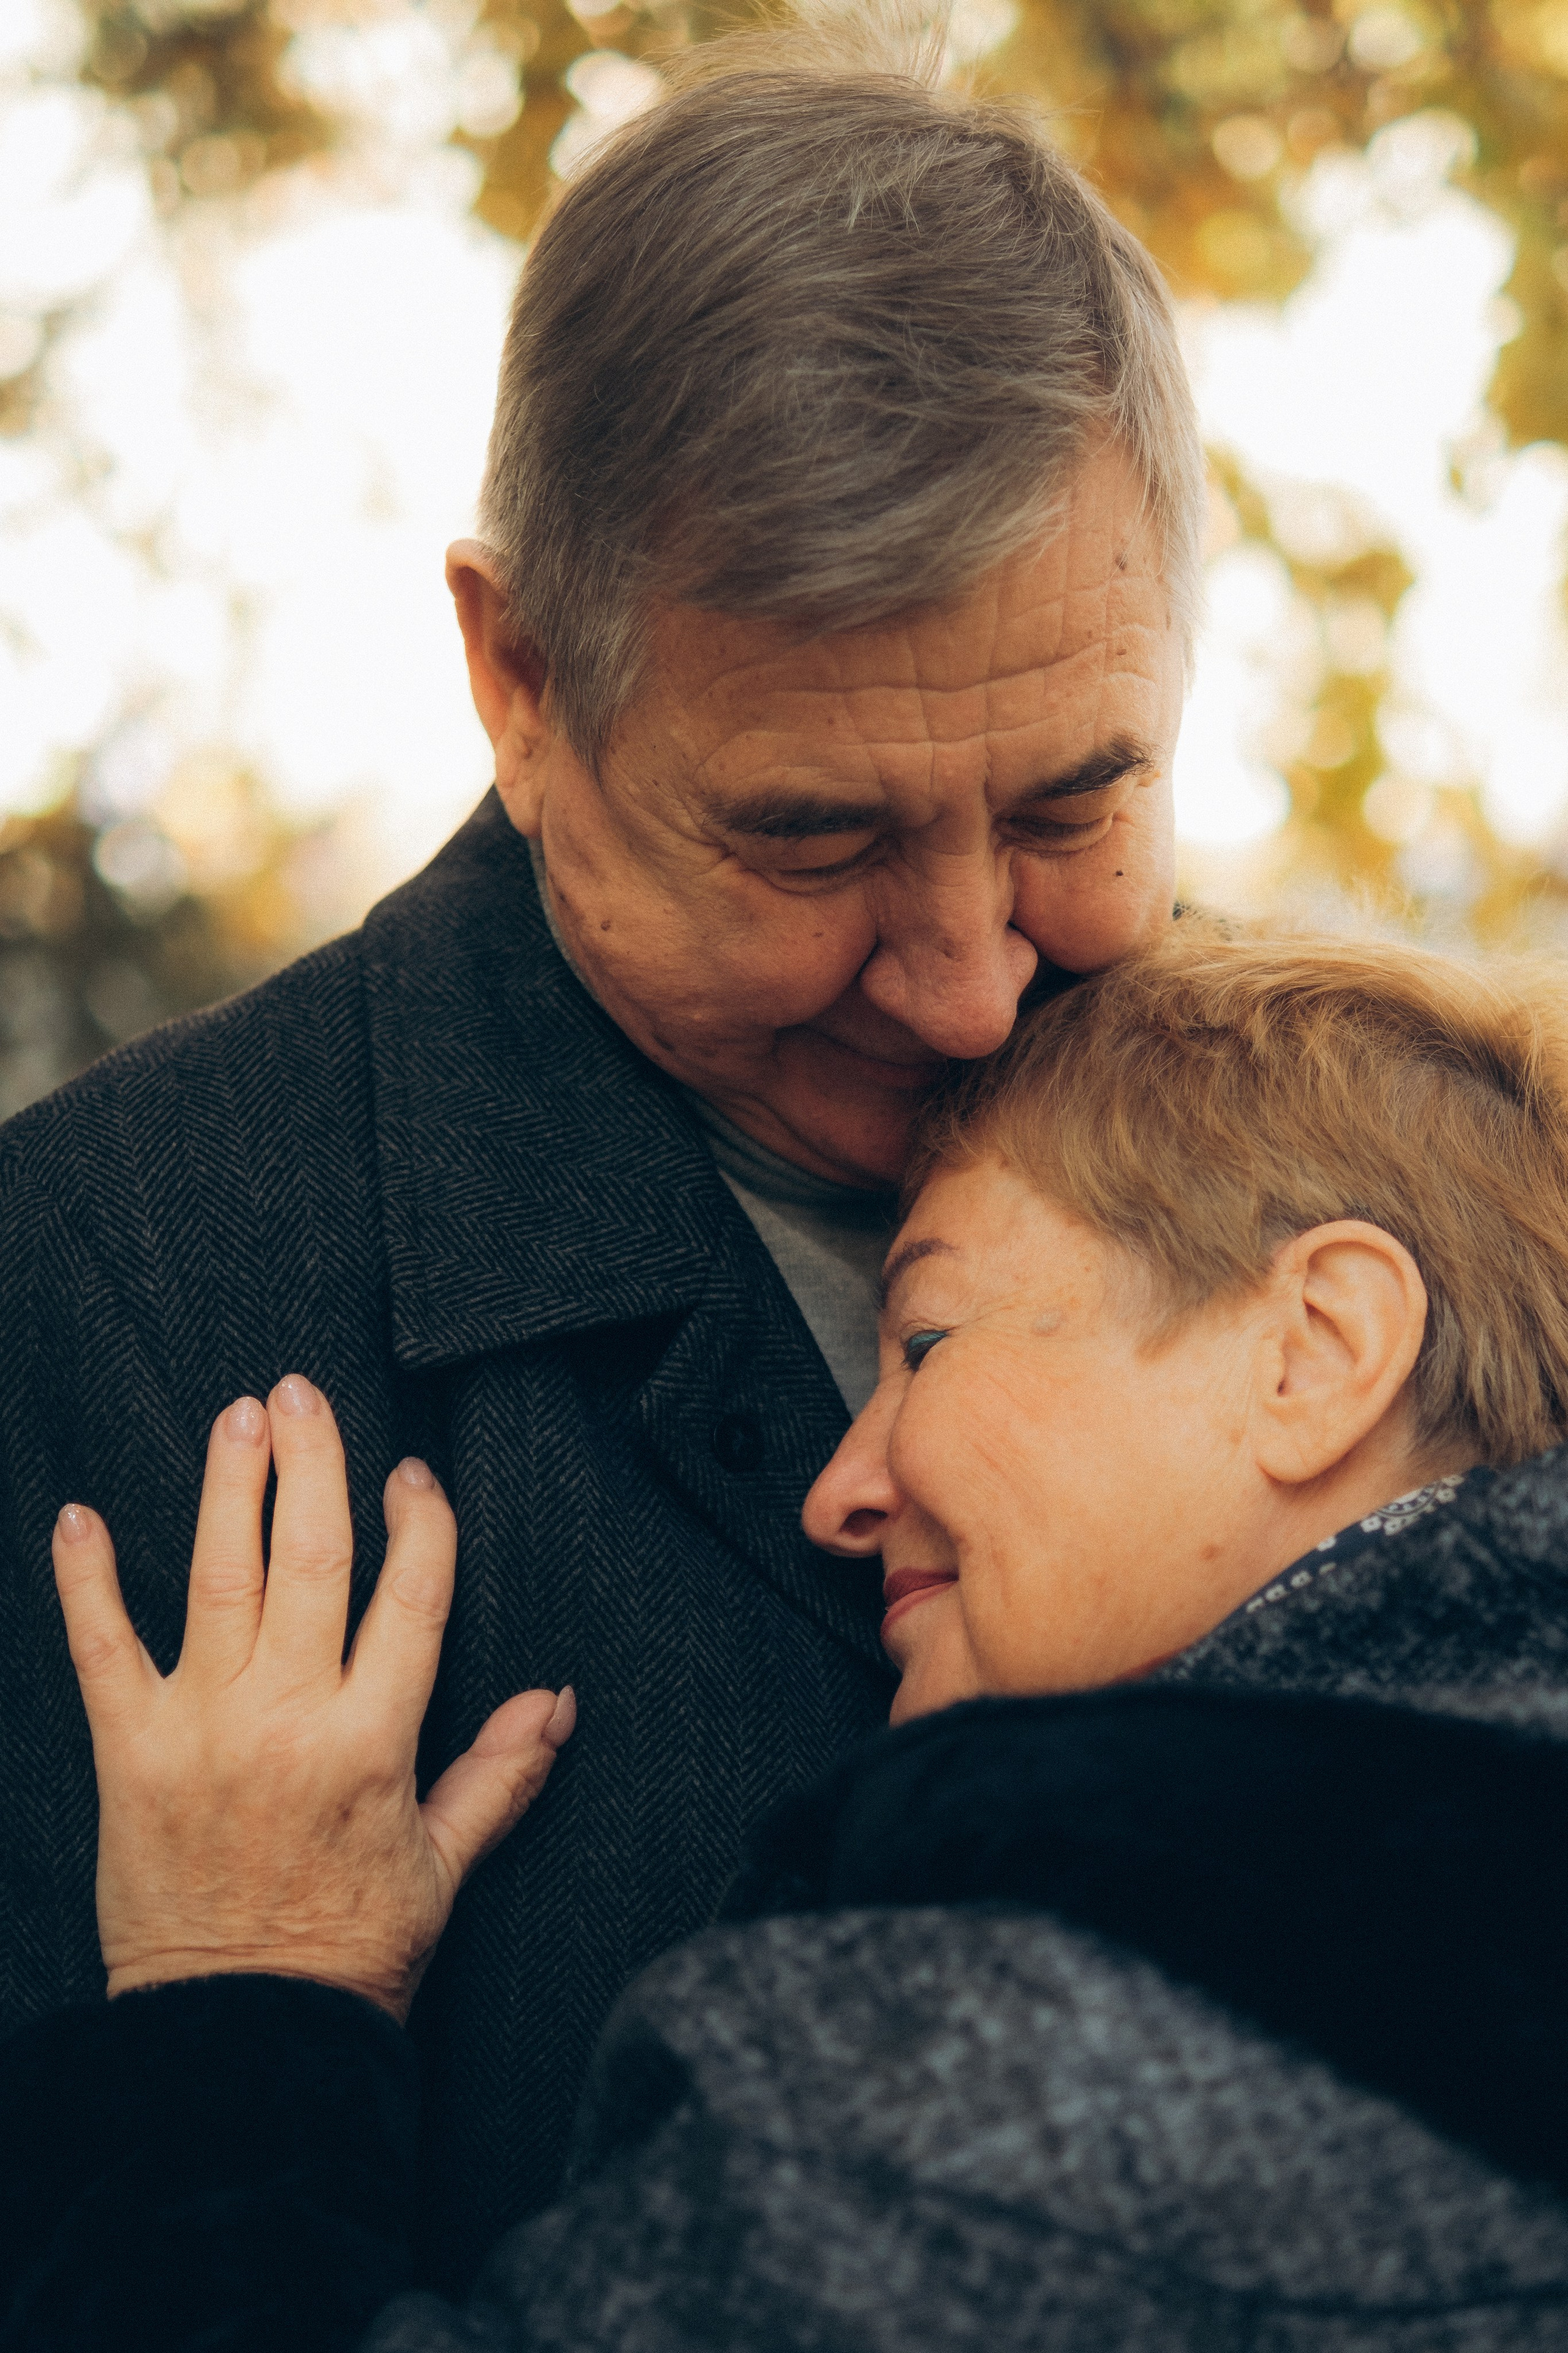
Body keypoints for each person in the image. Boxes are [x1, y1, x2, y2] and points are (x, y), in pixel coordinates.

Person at [0, 10, 1203, 2276]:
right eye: (811, 834)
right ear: (522, 683)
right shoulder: (105, 1297)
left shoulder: (1396, 1198)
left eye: (1074, 804)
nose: (964, 978)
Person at [9, 926, 1568, 2352]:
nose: (839, 1486)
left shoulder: (1022, 2085)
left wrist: (246, 1994)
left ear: (1315, 1349)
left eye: (930, 1339)